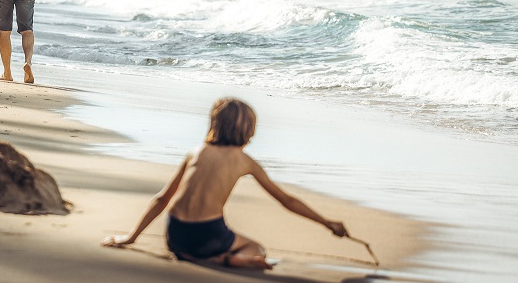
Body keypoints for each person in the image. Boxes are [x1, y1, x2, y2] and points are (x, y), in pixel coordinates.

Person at [102, 98, 347, 269]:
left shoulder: (196, 152)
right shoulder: (245, 161)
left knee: (193, 242)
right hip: (210, 234)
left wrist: (131, 237)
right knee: (255, 248)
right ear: (250, 131)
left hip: (175, 234)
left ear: (214, 124)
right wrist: (327, 223)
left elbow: (162, 198)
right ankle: (229, 259)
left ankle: (194, 254)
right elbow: (287, 201)